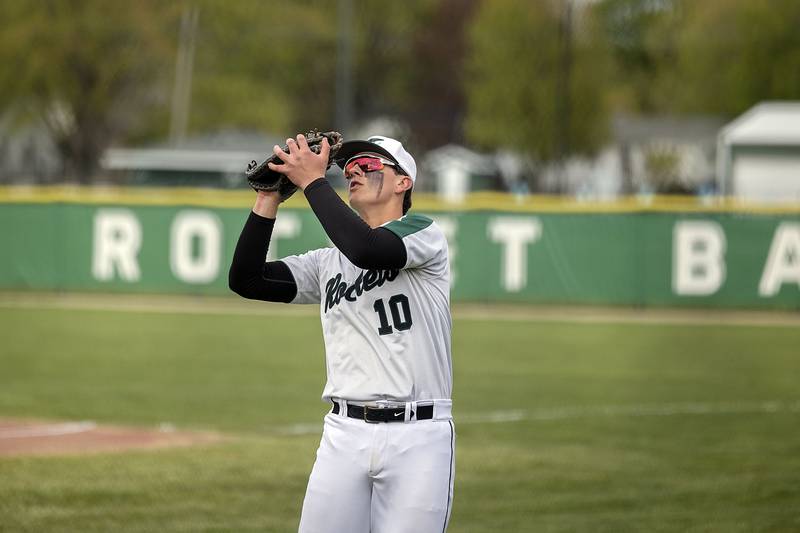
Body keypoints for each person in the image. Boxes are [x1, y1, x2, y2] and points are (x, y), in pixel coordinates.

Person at [228, 133, 455, 533]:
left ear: (404, 183)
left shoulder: (423, 234)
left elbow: (367, 249)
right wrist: (269, 198)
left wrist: (312, 181)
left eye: (368, 165)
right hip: (343, 435)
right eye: (349, 167)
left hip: (418, 437)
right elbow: (246, 279)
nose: (353, 171)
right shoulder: (328, 262)